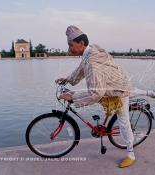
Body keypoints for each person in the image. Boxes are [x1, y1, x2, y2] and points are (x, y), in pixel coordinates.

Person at [55, 25, 135, 168]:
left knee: (123, 121)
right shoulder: (89, 52)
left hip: (118, 89)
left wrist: (73, 97)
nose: (69, 49)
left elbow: (96, 93)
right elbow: (80, 70)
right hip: (109, 85)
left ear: (81, 43)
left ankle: (131, 154)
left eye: (70, 45)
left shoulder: (92, 62)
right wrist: (67, 79)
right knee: (87, 94)